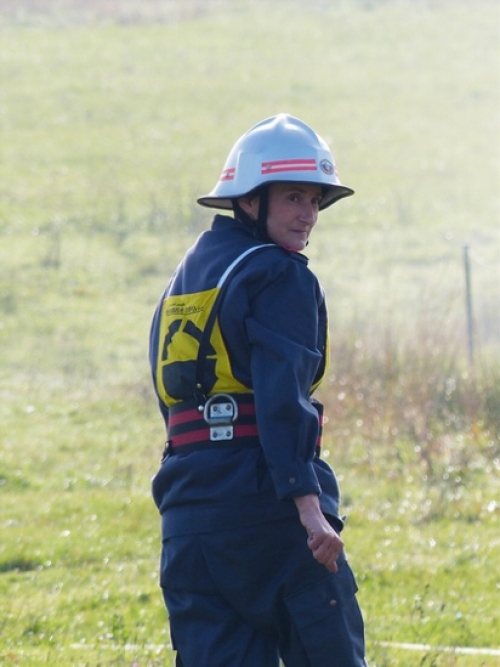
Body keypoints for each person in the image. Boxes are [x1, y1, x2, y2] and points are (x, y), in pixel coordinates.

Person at [149, 113, 368, 667]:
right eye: (293, 197)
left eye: (315, 200)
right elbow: (281, 397)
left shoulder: (184, 280)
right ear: (249, 201)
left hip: (188, 519)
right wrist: (308, 508)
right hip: (269, 516)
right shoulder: (280, 273)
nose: (308, 215)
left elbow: (172, 401)